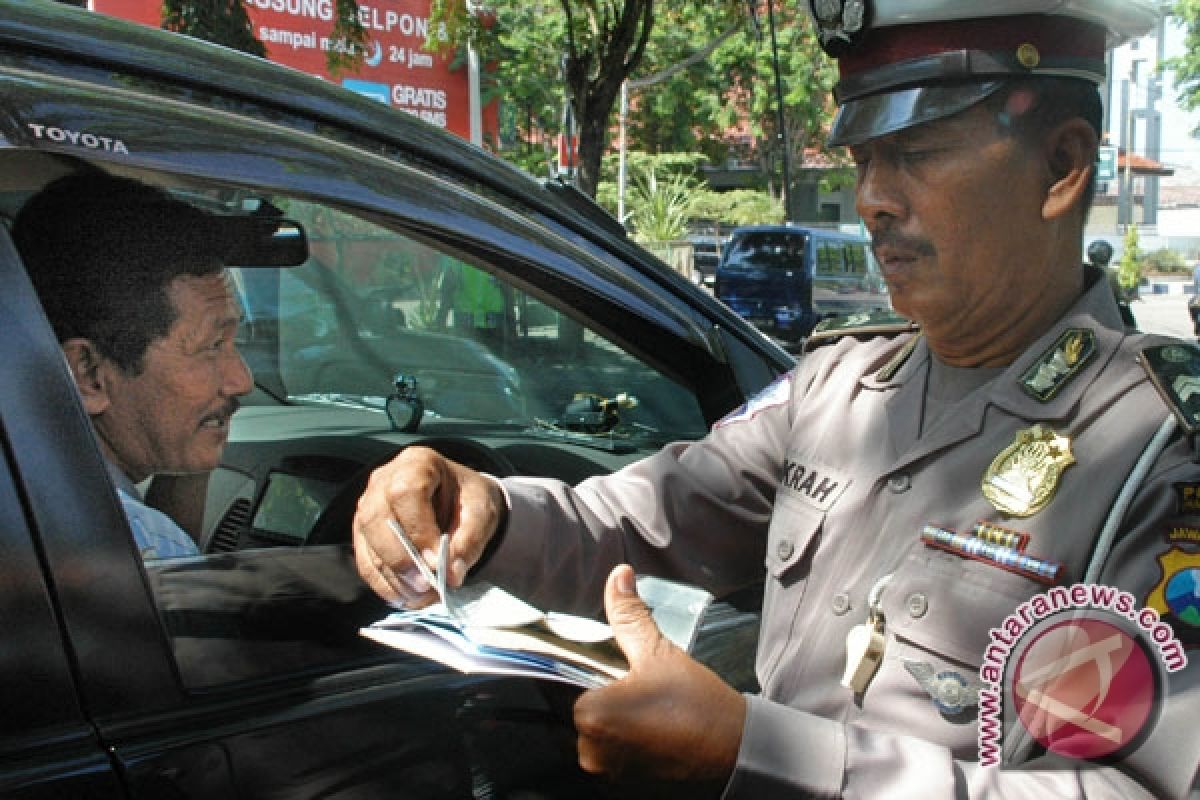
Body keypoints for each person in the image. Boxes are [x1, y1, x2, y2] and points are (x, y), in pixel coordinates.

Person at [353, 2, 1199, 797]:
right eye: (866, 158)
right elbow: (646, 517)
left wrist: (751, 753)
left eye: (920, 152)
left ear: (1061, 167)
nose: (872, 198)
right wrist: (485, 508)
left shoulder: (1156, 453)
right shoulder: (838, 386)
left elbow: (1133, 786)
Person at [13, 172, 255, 559]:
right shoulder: (135, 541)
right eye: (212, 346)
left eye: (233, 343)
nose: (241, 380)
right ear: (89, 375)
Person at [1086, 238, 1136, 328]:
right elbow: (1120, 296)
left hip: (1085, 310)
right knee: (1129, 324)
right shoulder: (1110, 273)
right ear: (1108, 255)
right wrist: (1131, 297)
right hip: (1107, 311)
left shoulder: (1085, 270)